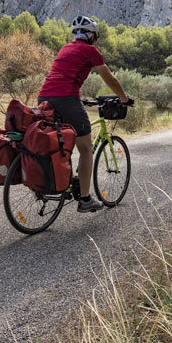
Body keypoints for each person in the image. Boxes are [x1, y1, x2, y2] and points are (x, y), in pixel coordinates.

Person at [37, 15, 132, 213]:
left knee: (63, 142)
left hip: (44, 97)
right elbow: (111, 80)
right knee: (86, 148)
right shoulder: (90, 50)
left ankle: (63, 180)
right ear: (92, 36)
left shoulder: (65, 48)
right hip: (66, 98)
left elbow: (62, 76)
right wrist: (124, 99)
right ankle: (86, 199)